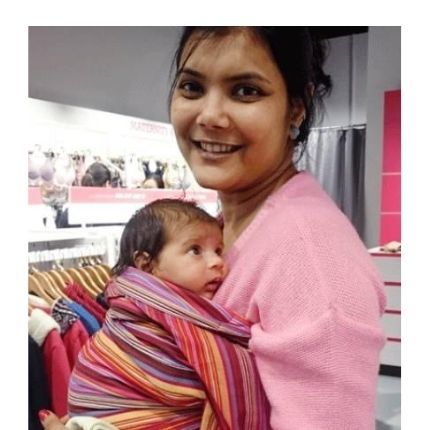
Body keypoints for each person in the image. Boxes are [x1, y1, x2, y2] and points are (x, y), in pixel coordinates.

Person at [41, 26, 386, 430]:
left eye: (246, 91)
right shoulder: (219, 230)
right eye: (192, 87)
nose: (209, 116)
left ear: (296, 107)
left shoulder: (313, 261)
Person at [66, 198, 269, 429]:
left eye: (218, 250)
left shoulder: (193, 311)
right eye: (195, 250)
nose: (217, 262)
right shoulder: (133, 316)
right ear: (146, 265)